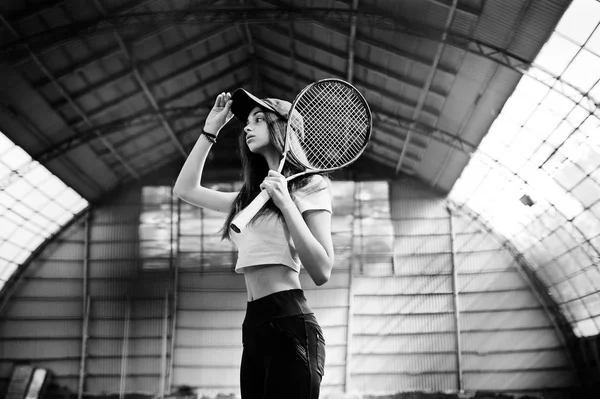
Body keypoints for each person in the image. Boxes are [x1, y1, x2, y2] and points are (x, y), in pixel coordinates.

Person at [173, 89, 334, 398]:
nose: (247, 126)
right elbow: (185, 188)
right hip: (254, 324)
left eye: (259, 119)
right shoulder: (248, 199)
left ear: (283, 129)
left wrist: (286, 204)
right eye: (246, 121)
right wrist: (210, 131)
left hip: (292, 323)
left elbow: (322, 269)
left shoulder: (310, 186)